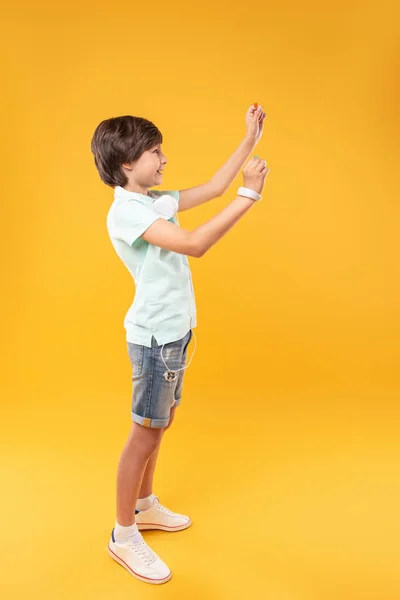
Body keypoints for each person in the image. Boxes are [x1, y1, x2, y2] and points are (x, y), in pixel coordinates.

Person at [90, 104, 270, 585]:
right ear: (127, 162)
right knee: (144, 433)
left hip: (175, 334)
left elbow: (211, 188)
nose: (164, 158)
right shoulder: (127, 212)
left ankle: (144, 506)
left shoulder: (151, 200)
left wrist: (249, 139)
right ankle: (124, 535)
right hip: (154, 340)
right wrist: (249, 195)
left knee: (161, 422)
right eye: (155, 151)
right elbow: (193, 244)